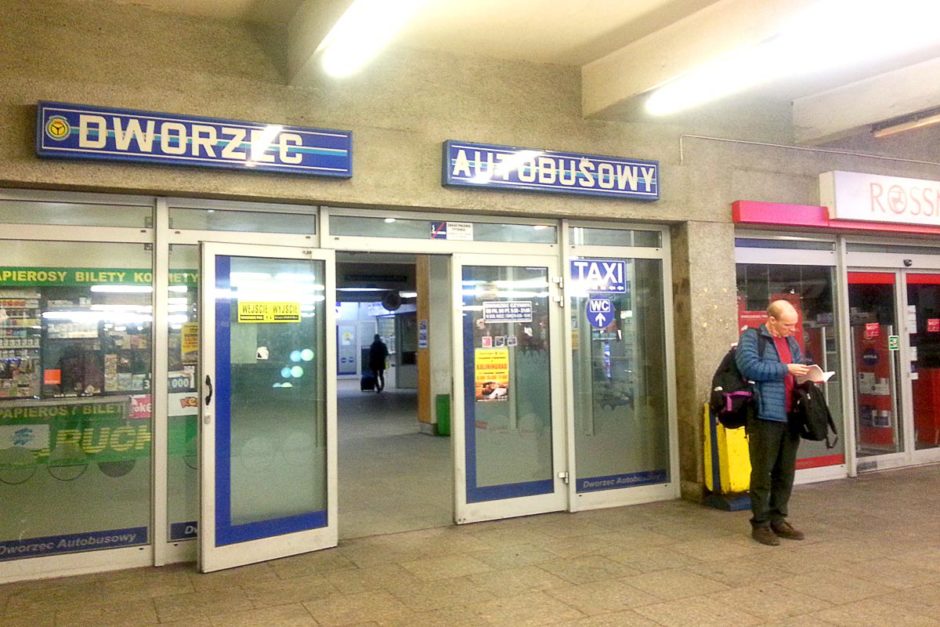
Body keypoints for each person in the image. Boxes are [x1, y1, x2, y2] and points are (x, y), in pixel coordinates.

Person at [735, 299, 811, 546]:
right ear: (772, 320)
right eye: (788, 325)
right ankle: (760, 523)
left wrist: (809, 374)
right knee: (763, 471)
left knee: (785, 471)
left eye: (794, 326)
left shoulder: (790, 341)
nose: (792, 330)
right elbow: (750, 367)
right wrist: (785, 368)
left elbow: (798, 366)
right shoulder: (751, 338)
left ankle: (779, 518)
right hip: (765, 414)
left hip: (791, 413)